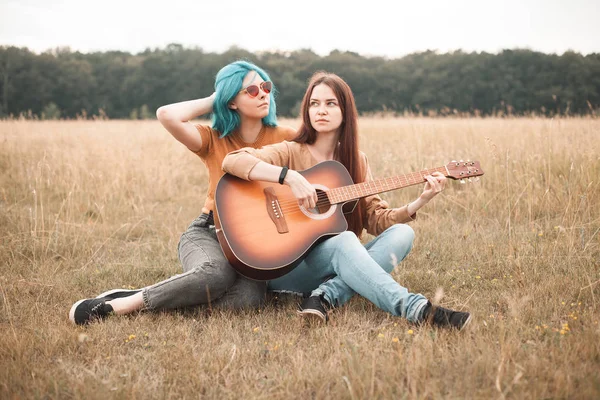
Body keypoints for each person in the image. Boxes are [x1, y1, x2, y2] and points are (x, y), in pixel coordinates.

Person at [222, 71, 471, 330]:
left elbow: (376, 220)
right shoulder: (289, 151)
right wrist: (290, 178)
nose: (321, 110)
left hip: (335, 264)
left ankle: (324, 296)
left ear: (345, 111)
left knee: (403, 233)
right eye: (314, 103)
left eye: (331, 104)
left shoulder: (356, 160)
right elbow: (233, 160)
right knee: (344, 240)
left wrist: (420, 201)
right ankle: (417, 309)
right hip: (286, 263)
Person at [69, 61, 297, 325]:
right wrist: (217, 98)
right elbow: (167, 114)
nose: (264, 94)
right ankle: (121, 306)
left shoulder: (286, 137)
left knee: (248, 300)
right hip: (209, 231)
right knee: (215, 275)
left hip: (255, 242)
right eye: (252, 90)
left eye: (266, 86)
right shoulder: (213, 138)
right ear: (231, 101)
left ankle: (142, 297)